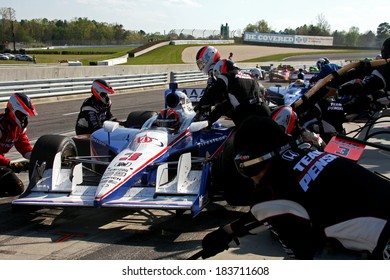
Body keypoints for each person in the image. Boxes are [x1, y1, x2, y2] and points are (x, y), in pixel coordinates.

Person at [201, 115, 390, 260]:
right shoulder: (308, 154)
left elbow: (300, 257)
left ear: (250, 163)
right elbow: (282, 209)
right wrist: (228, 231)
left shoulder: (270, 193)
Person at [194, 59, 271, 127]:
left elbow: (211, 94)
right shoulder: (249, 77)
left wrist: (199, 107)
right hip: (265, 113)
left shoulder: (226, 76)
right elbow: (225, 105)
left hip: (249, 118)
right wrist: (210, 119)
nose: (218, 77)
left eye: (217, 74)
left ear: (221, 69)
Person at [0, 93, 38, 197]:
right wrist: (9, 164)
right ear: (13, 110)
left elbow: (24, 147)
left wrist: (36, 157)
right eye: (21, 115)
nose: (23, 118)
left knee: (16, 188)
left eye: (25, 116)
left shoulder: (18, 128)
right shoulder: (1, 125)